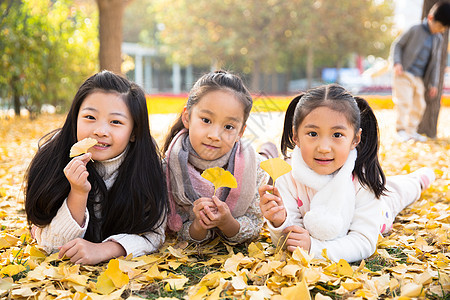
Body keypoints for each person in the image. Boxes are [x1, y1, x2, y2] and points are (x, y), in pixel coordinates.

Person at [259, 84, 435, 263]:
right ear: (296, 136)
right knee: (391, 187)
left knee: (396, 193)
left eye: (337, 135)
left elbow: (363, 241)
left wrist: (315, 248)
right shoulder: (288, 176)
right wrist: (280, 221)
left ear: (355, 139)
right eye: (313, 133)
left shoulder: (363, 181)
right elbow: (293, 239)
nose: (324, 148)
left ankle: (419, 179)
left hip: (380, 211)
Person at [25, 71, 168, 265]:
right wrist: (78, 192)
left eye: (115, 122)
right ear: (75, 118)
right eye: (90, 117)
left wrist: (105, 249)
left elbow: (154, 234)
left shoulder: (147, 167)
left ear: (133, 132)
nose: (100, 131)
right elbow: (51, 246)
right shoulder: (52, 159)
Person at [163, 70, 269, 244]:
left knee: (267, 162)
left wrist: (228, 222)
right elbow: (174, 227)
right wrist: (198, 226)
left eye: (228, 127)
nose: (214, 135)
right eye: (206, 120)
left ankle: (267, 151)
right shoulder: (169, 168)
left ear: (240, 132)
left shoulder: (254, 168)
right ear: (187, 117)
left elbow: (255, 223)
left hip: (256, 163)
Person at [391, 1, 450, 142]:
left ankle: (411, 132)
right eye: (439, 26)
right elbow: (398, 45)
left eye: (444, 28)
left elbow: (436, 63)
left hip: (419, 78)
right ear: (430, 18)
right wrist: (397, 62)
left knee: (419, 105)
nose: (441, 30)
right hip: (403, 73)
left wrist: (434, 84)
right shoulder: (415, 29)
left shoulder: (438, 39)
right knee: (404, 101)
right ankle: (400, 130)